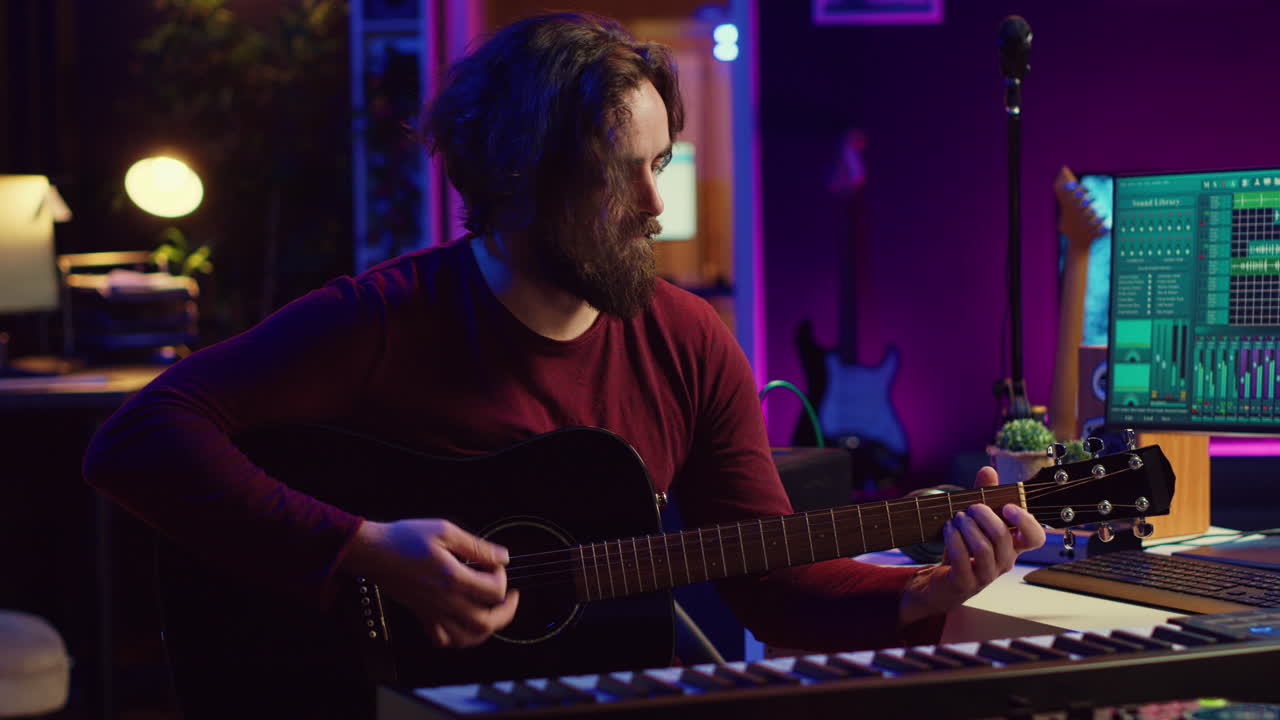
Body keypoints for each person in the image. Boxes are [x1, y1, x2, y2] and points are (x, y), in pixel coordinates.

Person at [82, 11, 1045, 719]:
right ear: (515, 178)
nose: (654, 207)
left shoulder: (690, 341)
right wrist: (359, 550)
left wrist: (921, 594)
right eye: (611, 173)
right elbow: (138, 438)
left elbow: (768, 582)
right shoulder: (384, 319)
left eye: (660, 163)